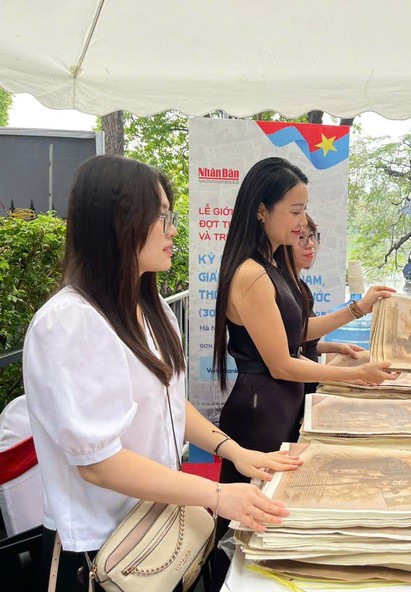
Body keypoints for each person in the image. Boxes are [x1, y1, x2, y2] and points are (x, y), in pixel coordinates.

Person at [23, 155, 300, 592]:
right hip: (104, 552)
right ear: (118, 221)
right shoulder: (70, 322)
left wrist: (234, 451)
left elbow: (170, 404)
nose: (173, 230)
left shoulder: (152, 310)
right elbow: (99, 463)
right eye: (163, 216)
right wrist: (215, 495)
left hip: (162, 527)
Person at [212, 156, 396, 488]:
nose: (302, 223)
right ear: (261, 210)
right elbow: (282, 363)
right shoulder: (251, 274)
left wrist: (358, 308)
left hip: (278, 404)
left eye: (304, 211)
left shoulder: (272, 265)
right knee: (248, 518)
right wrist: (354, 375)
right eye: (295, 212)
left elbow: (295, 334)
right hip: (260, 412)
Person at [294, 214, 365, 395]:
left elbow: (299, 344)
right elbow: (287, 356)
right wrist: (348, 375)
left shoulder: (301, 286)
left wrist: (335, 347)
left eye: (312, 236)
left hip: (304, 389)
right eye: (301, 237)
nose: (310, 244)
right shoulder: (279, 287)